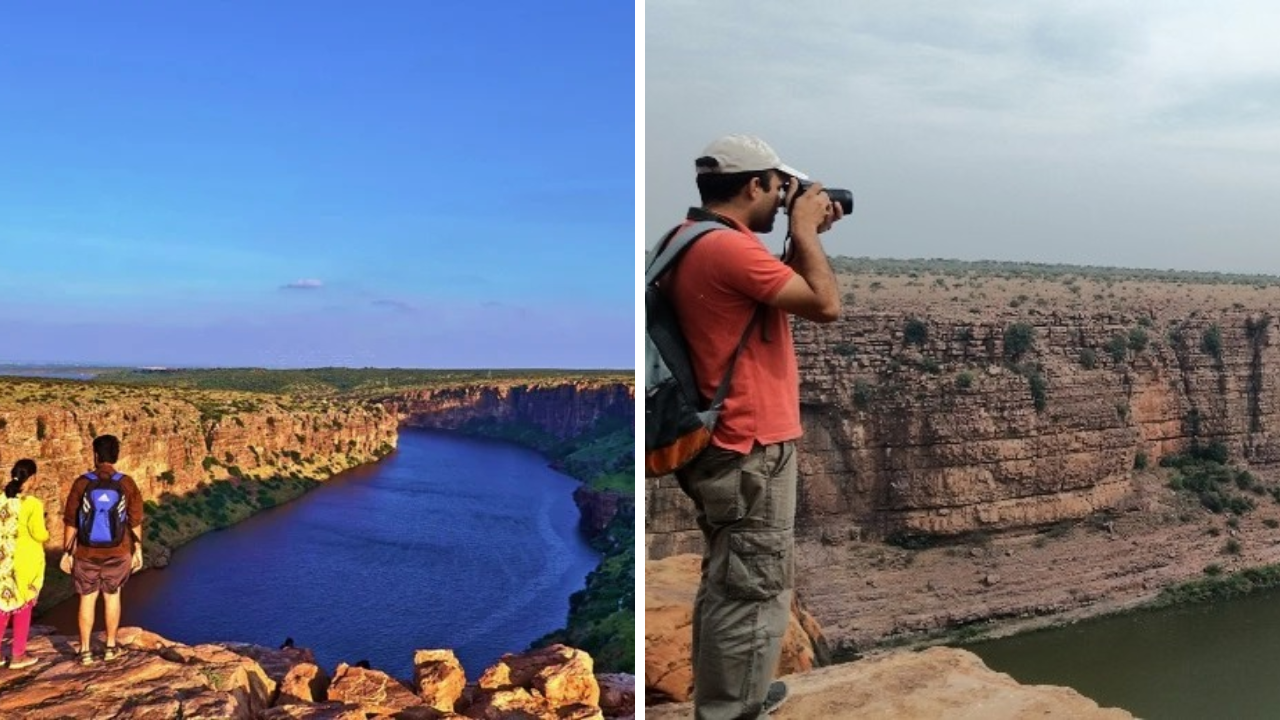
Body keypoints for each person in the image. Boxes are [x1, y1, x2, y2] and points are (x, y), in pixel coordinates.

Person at [661, 134, 845, 719]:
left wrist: (798, 237)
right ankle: (731, 712)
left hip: (722, 439)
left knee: (731, 577)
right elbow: (824, 305)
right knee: (755, 584)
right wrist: (808, 233)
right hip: (749, 444)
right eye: (779, 187)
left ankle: (734, 693)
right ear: (754, 184)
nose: (784, 199)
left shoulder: (689, 239)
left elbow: (770, 296)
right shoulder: (727, 250)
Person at [61, 434, 144, 665]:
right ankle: (110, 647)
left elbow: (71, 521)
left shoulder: (82, 482)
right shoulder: (126, 483)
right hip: (118, 552)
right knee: (112, 596)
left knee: (87, 599)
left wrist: (67, 552)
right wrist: (138, 549)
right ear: (116, 455)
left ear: (95, 455)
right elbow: (135, 520)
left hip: (86, 552)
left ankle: (85, 651)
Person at [0, 459, 48, 670]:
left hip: (2, 561)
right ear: (32, 478)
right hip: (24, 563)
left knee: (2, 606)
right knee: (22, 608)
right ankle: (18, 655)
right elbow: (39, 534)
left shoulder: (0, 499)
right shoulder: (32, 504)